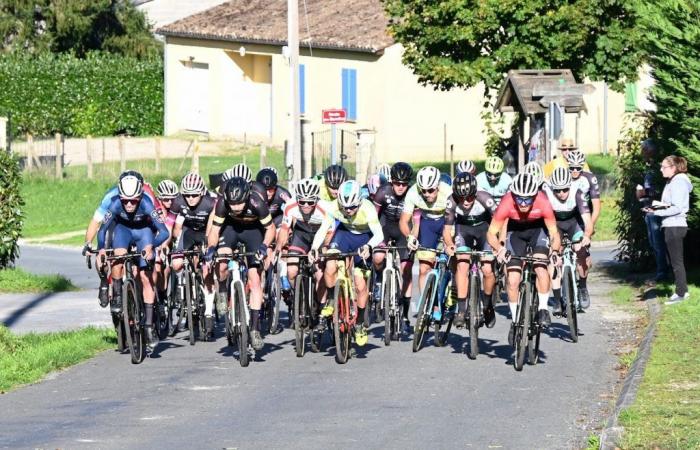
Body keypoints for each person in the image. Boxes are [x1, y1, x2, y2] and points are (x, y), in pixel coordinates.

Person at [97, 172, 170, 349]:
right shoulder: (115, 204)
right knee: (117, 258)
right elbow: (103, 230)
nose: (129, 205)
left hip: (143, 233)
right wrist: (101, 249)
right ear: (120, 197)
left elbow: (164, 232)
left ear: (139, 197)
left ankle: (149, 326)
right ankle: (117, 296)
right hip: (123, 231)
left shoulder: (146, 203)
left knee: (145, 278)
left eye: (133, 201)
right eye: (125, 201)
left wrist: (151, 246)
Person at [487, 173, 561, 344]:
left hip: (538, 230)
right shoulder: (506, 202)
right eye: (519, 199)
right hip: (516, 232)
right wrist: (499, 248)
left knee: (541, 266)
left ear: (534, 196)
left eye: (527, 200)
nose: (522, 204)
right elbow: (491, 233)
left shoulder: (543, 202)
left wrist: (555, 251)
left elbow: (554, 234)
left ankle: (542, 309)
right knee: (512, 280)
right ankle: (515, 321)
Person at [310, 179, 384, 347]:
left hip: (365, 238)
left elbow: (379, 235)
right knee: (330, 264)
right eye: (345, 208)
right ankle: (330, 298)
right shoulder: (334, 206)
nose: (348, 211)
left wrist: (369, 246)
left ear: (359, 201)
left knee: (360, 285)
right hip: (344, 235)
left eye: (352, 207)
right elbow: (324, 228)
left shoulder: (368, 208)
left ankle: (359, 324)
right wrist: (315, 247)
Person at [205, 177, 276, 351]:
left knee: (255, 279)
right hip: (231, 229)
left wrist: (264, 246)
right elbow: (214, 231)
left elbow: (271, 229)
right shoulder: (222, 203)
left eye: (239, 203)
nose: (236, 207)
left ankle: (255, 328)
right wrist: (212, 247)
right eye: (233, 204)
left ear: (247, 197)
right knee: (221, 261)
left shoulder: (257, 202)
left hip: (253, 232)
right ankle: (222, 288)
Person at [443, 172, 498, 328]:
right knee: (462, 264)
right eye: (461, 198)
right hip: (463, 230)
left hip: (485, 230)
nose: (465, 202)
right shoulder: (451, 201)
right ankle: (461, 310)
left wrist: (498, 243)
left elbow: (499, 221)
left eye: (469, 197)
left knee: (487, 269)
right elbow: (447, 230)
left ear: (475, 193)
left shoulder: (484, 198)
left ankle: (487, 305)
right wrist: (449, 244)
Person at [170, 173, 218, 340]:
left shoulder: (211, 201)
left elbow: (214, 224)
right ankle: (181, 287)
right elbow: (174, 225)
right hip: (188, 232)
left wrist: (208, 243)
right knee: (176, 263)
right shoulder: (178, 201)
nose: (190, 198)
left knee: (206, 270)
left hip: (206, 231)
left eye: (194, 195)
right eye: (187, 195)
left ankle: (209, 312)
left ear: (202, 193)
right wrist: (174, 242)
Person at [372, 162, 414, 330]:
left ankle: (404, 315)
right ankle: (379, 283)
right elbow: (373, 218)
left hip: (404, 230)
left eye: (404, 184)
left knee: (407, 269)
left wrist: (413, 237)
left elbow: (416, 220)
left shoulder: (412, 194)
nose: (401, 187)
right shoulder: (383, 193)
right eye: (397, 183)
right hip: (385, 227)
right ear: (391, 182)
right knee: (378, 257)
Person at [645, 155, 692, 304]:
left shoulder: (678, 182)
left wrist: (656, 212)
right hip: (671, 225)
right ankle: (681, 291)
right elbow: (670, 204)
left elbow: (678, 207)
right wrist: (657, 207)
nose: (661, 169)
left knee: (676, 261)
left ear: (673, 168)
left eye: (663, 167)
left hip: (675, 225)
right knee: (674, 260)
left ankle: (681, 293)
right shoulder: (674, 181)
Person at [545, 167, 594, 309]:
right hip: (555, 225)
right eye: (557, 190)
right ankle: (557, 299)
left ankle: (583, 287)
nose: (561, 193)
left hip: (574, 223)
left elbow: (588, 221)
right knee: (553, 258)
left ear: (570, 186)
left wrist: (587, 236)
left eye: (565, 189)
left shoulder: (577, 193)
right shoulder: (547, 194)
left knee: (582, 252)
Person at [400, 166, 452, 294]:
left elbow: (456, 216)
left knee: (455, 262)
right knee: (424, 268)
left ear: (438, 186)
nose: (427, 194)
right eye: (423, 191)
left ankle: (452, 292)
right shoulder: (413, 192)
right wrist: (409, 236)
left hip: (448, 222)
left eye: (430, 190)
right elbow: (403, 221)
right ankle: (425, 305)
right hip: (428, 223)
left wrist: (450, 242)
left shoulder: (448, 192)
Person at [636, 140, 670, 283]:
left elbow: (658, 190)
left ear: (650, 151)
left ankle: (663, 273)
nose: (642, 152)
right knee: (653, 243)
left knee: (658, 243)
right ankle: (661, 271)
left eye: (644, 149)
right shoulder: (648, 167)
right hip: (648, 209)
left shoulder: (657, 168)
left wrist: (642, 192)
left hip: (656, 210)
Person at [566, 151, 602, 228]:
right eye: (572, 168)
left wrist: (590, 226)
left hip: (584, 210)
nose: (575, 171)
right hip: (568, 211)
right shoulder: (564, 176)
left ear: (582, 167)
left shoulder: (590, 178)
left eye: (578, 168)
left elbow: (597, 207)